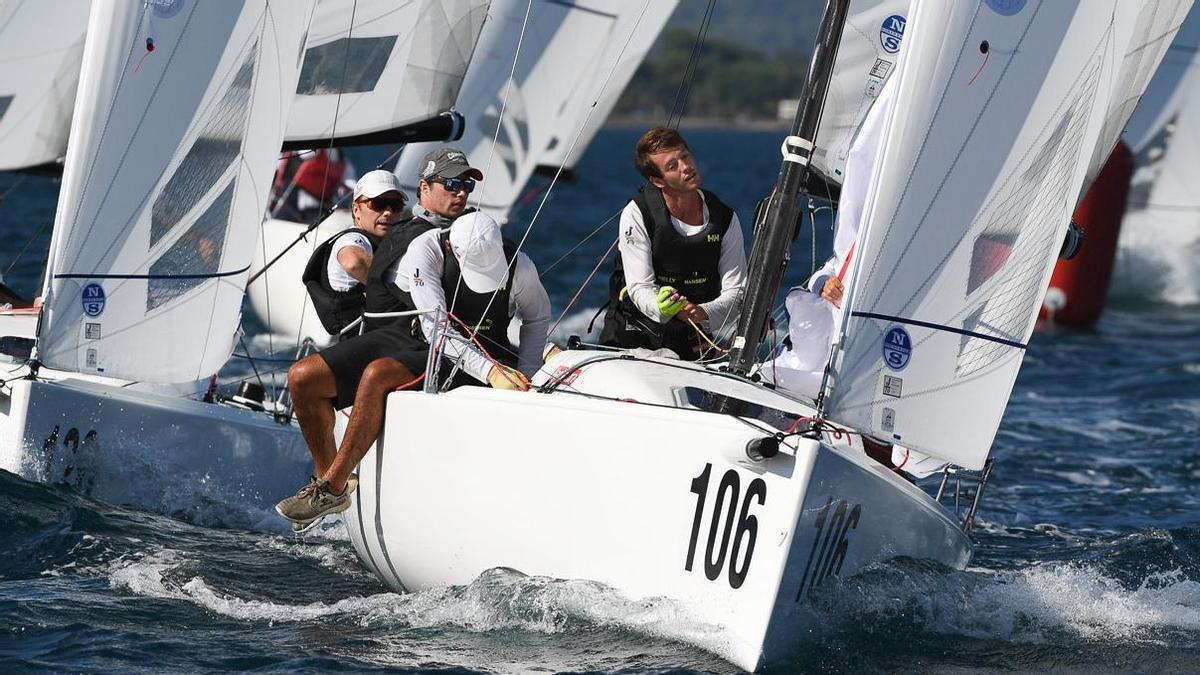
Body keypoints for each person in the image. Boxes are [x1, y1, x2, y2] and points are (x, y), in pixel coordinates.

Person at [277, 149, 550, 530]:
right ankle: (330, 487)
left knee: (376, 375)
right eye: (452, 183)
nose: (462, 192)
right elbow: (432, 323)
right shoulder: (419, 242)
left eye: (467, 185)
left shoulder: (498, 249)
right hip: (413, 335)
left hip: (457, 345)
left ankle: (332, 485)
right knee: (302, 376)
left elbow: (536, 315)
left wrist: (527, 374)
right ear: (424, 187)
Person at [599, 127, 747, 360]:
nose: (686, 167)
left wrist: (702, 312)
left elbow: (737, 292)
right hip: (635, 334)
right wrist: (661, 307)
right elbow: (639, 287)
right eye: (672, 166)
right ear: (658, 180)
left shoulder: (726, 218)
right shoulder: (637, 214)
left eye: (685, 156)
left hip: (694, 335)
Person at [301, 169, 406, 335]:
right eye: (378, 204)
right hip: (367, 343)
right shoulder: (352, 239)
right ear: (356, 209)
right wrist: (403, 293)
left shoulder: (384, 241)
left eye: (396, 205)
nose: (387, 212)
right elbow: (353, 262)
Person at [270, 148, 357, 223]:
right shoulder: (309, 151)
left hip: (317, 214)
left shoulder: (345, 164)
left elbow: (352, 187)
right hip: (288, 209)